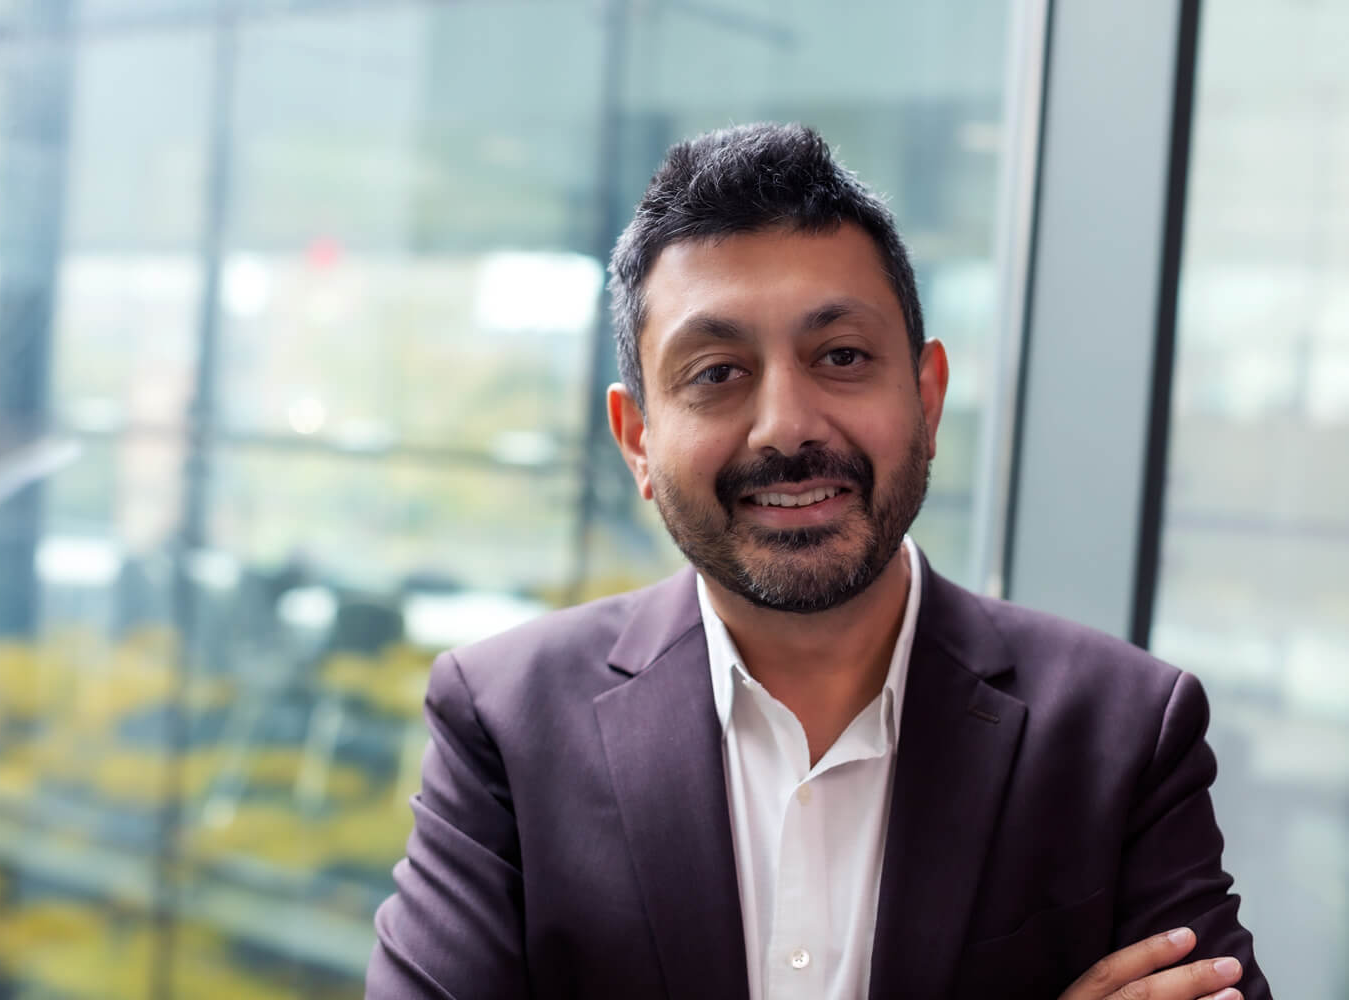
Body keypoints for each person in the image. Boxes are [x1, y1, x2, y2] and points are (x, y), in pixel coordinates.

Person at [367, 123, 1270, 1000]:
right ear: (638, 439)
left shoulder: (1123, 732)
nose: (788, 426)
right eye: (717, 372)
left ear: (926, 397)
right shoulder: (506, 728)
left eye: (841, 355)